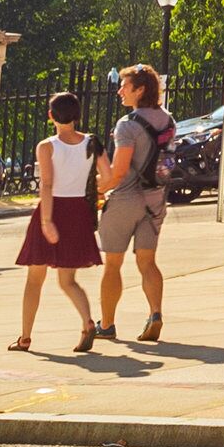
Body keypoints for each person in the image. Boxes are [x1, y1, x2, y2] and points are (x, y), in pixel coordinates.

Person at [94, 65, 178, 344]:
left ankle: (106, 324)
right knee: (147, 261)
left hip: (125, 200)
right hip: (155, 201)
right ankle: (155, 314)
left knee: (113, 264)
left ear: (140, 90)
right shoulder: (168, 121)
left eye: (124, 86)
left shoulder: (127, 125)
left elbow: (118, 172)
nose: (119, 91)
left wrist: (96, 187)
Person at [13, 93, 104, 352]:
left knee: (34, 278)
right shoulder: (92, 142)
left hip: (53, 208)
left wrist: (46, 221)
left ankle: (25, 338)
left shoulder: (47, 146)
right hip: (78, 211)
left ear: (51, 116)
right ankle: (87, 322)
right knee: (68, 280)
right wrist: (95, 194)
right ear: (77, 115)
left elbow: (48, 184)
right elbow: (107, 175)